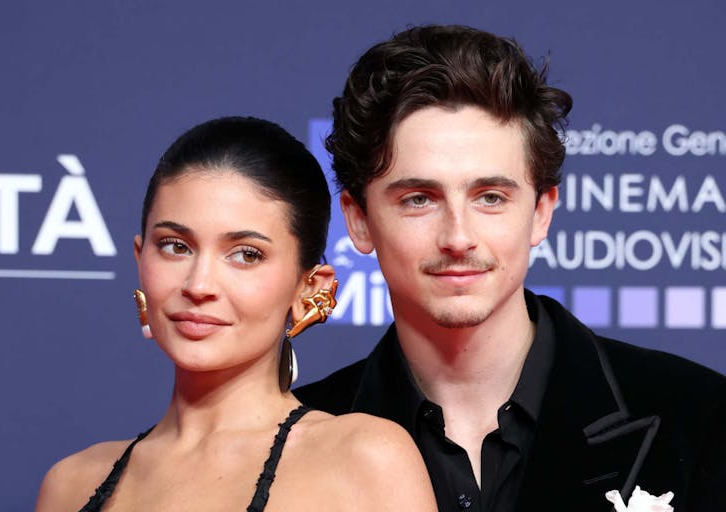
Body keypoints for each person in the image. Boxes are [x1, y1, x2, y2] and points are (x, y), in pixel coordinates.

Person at [295, 25, 726, 511]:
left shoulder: (702, 418)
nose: (458, 237)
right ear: (358, 220)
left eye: (491, 198)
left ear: (541, 212)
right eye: (419, 199)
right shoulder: (294, 442)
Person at [35, 117, 437, 512]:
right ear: (141, 259)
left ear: (309, 287)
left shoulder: (365, 460)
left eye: (246, 254)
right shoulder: (71, 484)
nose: (199, 284)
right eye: (176, 246)